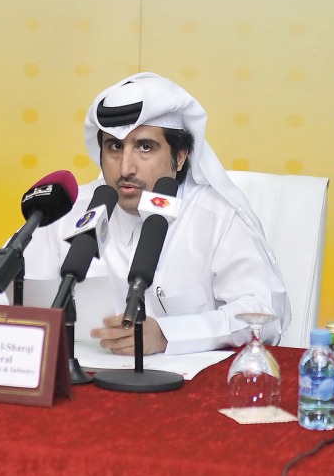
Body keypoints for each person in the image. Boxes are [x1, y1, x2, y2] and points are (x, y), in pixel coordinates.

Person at [21, 72, 290, 356]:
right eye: (114, 147)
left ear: (181, 155)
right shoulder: (70, 208)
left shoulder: (216, 217)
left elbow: (265, 313)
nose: (126, 168)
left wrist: (167, 335)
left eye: (145, 147)